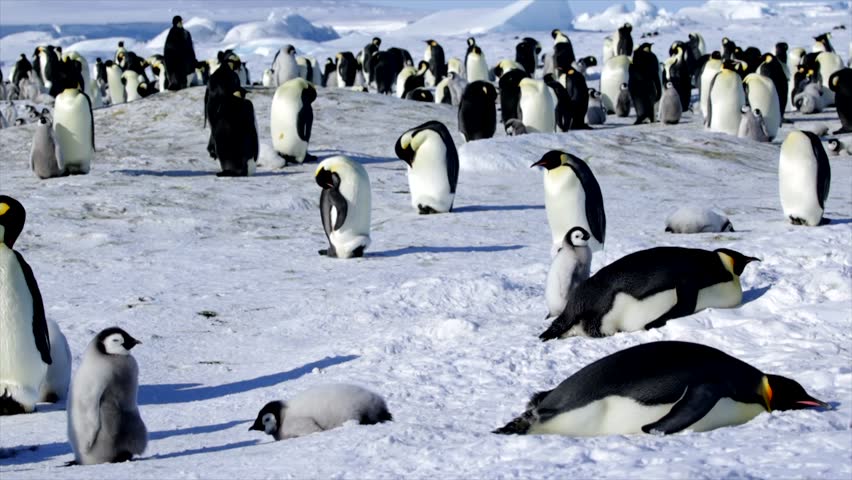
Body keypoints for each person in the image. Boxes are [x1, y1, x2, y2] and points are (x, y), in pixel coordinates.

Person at [163, 15, 197, 91]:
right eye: (180, 21)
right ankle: (176, 83)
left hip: (177, 61)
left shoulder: (175, 34)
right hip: (177, 60)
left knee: (177, 72)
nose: (181, 23)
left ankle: (176, 82)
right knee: (178, 71)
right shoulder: (180, 33)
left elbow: (168, 50)